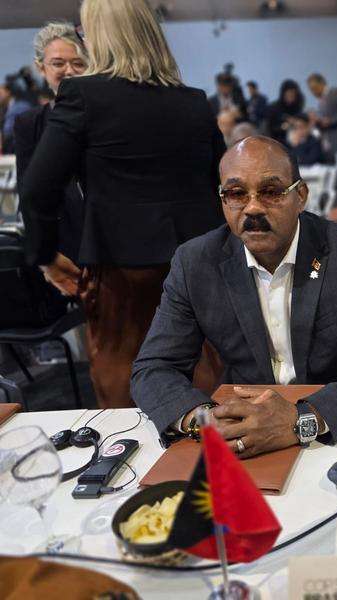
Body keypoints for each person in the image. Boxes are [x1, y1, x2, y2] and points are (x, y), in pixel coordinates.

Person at [131, 137, 337, 453]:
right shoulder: (195, 262)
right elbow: (153, 369)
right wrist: (209, 421)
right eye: (236, 194)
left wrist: (302, 419)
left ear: (301, 196)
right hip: (242, 430)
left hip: (333, 424)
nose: (252, 208)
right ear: (223, 200)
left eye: (271, 192)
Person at [20, 0, 225, 408]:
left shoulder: (81, 95)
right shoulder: (194, 101)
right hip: (198, 263)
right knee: (203, 376)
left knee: (125, 389)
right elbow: (219, 183)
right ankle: (205, 468)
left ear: (100, 35)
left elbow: (36, 189)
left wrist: (45, 257)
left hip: (121, 271)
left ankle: (137, 471)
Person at [14, 22, 87, 265]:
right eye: (58, 63)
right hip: (59, 248)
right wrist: (50, 260)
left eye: (78, 63)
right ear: (41, 68)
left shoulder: (104, 117)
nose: (69, 70)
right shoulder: (29, 123)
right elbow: (28, 192)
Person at [306, 73, 337, 161]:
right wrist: (317, 121)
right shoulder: (322, 100)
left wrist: (331, 121)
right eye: (311, 90)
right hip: (329, 145)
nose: (313, 92)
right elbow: (326, 120)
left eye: (314, 88)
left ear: (322, 83)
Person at [265, 79, 305, 145]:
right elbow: (269, 129)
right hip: (277, 141)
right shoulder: (274, 108)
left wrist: (295, 121)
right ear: (284, 94)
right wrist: (282, 127)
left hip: (295, 141)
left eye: (293, 94)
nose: (291, 96)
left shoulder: (297, 107)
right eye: (289, 94)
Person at [1, 81, 32, 154]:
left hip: (20, 150)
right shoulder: (5, 109)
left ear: (8, 92)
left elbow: (7, 131)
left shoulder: (21, 107)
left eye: (0, 93)